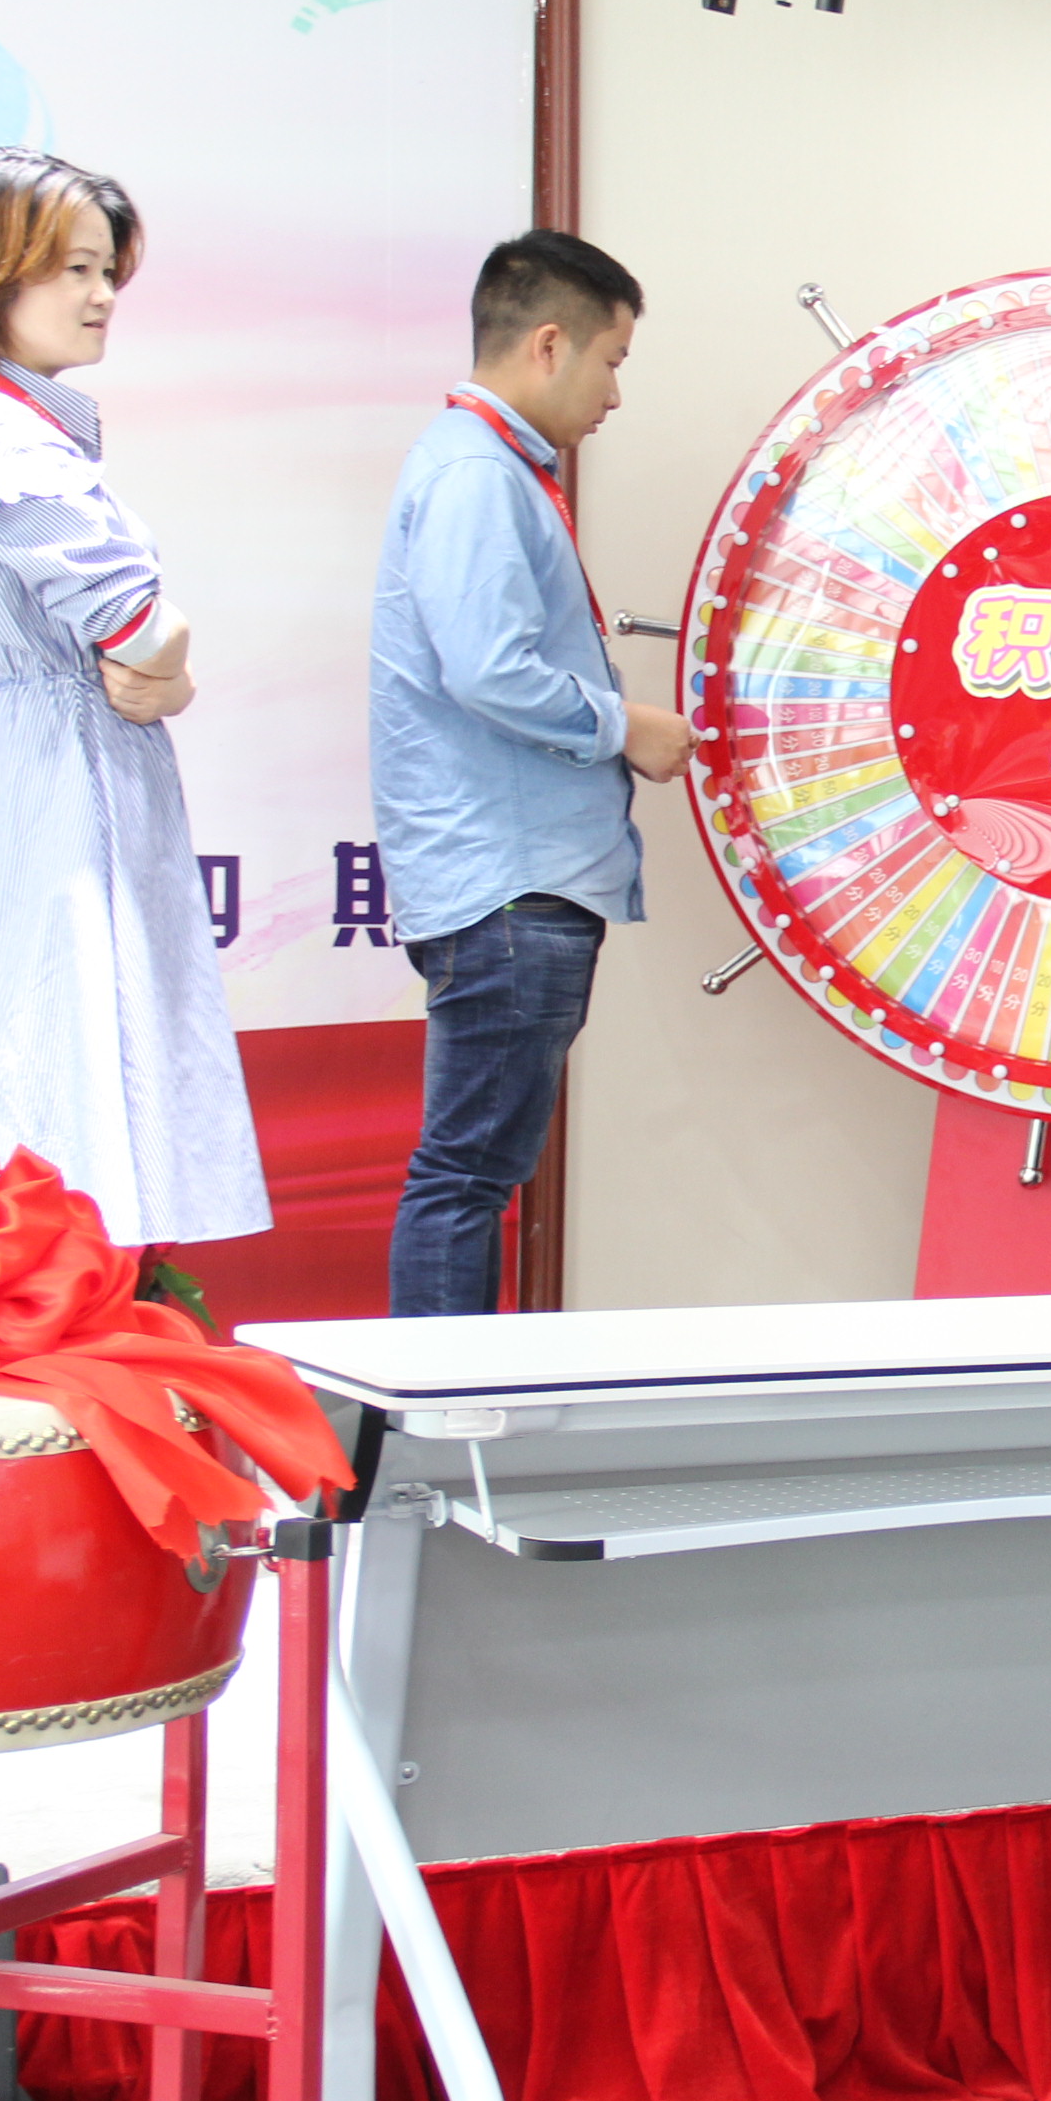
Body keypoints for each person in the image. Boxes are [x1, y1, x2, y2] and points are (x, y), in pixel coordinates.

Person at [0, 147, 266, 1253]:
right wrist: (172, 665)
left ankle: (65, 1298)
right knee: (53, 1055)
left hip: (54, 757)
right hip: (55, 770)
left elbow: (142, 647)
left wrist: (166, 672)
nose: (102, 297)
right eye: (74, 269)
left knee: (59, 1051)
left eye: (108, 272)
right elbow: (140, 627)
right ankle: (54, 1309)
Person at [373, 230, 693, 1316]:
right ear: (550, 344)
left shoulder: (486, 468)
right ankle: (444, 1413)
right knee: (465, 1180)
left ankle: (451, 1407)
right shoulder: (476, 475)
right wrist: (624, 726)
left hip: (512, 882)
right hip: (511, 885)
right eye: (612, 361)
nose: (614, 396)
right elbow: (489, 670)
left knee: (469, 1175)